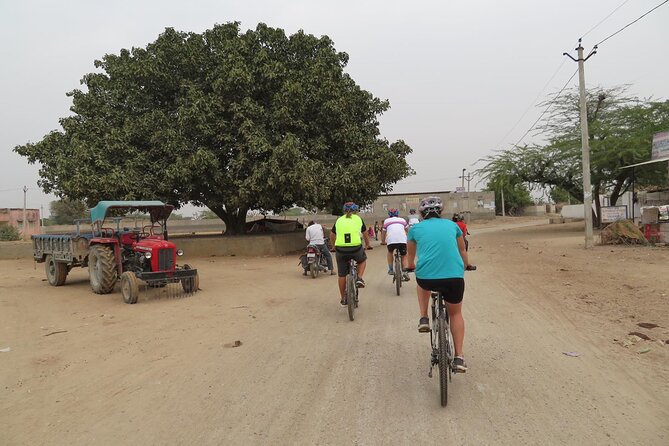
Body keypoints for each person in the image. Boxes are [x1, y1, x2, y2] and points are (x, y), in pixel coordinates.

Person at [407, 196, 470, 372]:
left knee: (421, 281)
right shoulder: (453, 226)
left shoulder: (415, 229)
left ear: (421, 213)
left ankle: (423, 317)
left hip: (427, 278)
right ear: (441, 212)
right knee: (456, 314)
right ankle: (458, 357)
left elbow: (410, 257)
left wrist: (409, 266)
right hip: (454, 278)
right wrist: (465, 266)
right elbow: (462, 250)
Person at [329, 202, 373, 307]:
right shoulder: (358, 219)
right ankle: (359, 278)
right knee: (362, 260)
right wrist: (367, 245)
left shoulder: (338, 220)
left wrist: (334, 246)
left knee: (342, 274)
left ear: (344, 211)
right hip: (355, 248)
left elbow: (332, 234)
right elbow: (365, 233)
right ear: (356, 211)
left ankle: (343, 299)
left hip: (341, 249)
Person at [381, 208, 410, 281]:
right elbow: (408, 231)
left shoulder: (386, 221)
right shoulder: (402, 220)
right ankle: (405, 271)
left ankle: (391, 269)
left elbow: (383, 233)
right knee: (404, 255)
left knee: (390, 252)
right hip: (402, 240)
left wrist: (383, 241)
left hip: (391, 241)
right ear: (397, 214)